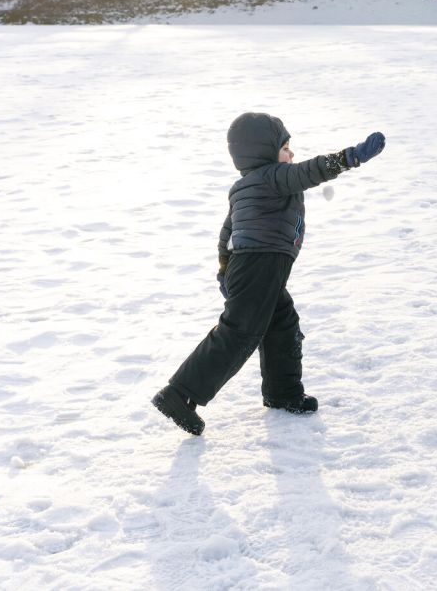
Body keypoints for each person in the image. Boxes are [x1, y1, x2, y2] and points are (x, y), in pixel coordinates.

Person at [152, 112, 386, 436]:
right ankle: (179, 393)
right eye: (285, 147)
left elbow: (226, 233)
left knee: (282, 324)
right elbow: (311, 171)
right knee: (239, 333)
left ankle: (283, 393)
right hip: (259, 265)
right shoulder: (274, 177)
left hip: (251, 268)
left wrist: (224, 271)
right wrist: (350, 158)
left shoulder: (243, 188)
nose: (291, 154)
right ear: (264, 151)